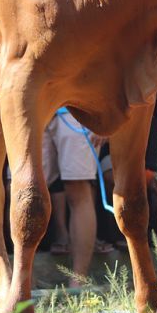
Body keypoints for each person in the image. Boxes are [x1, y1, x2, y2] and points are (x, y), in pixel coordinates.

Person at [44, 110, 101, 287]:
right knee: (23, 189)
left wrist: (104, 115)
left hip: (78, 108)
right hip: (32, 108)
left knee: (78, 189)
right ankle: (22, 283)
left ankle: (77, 282)